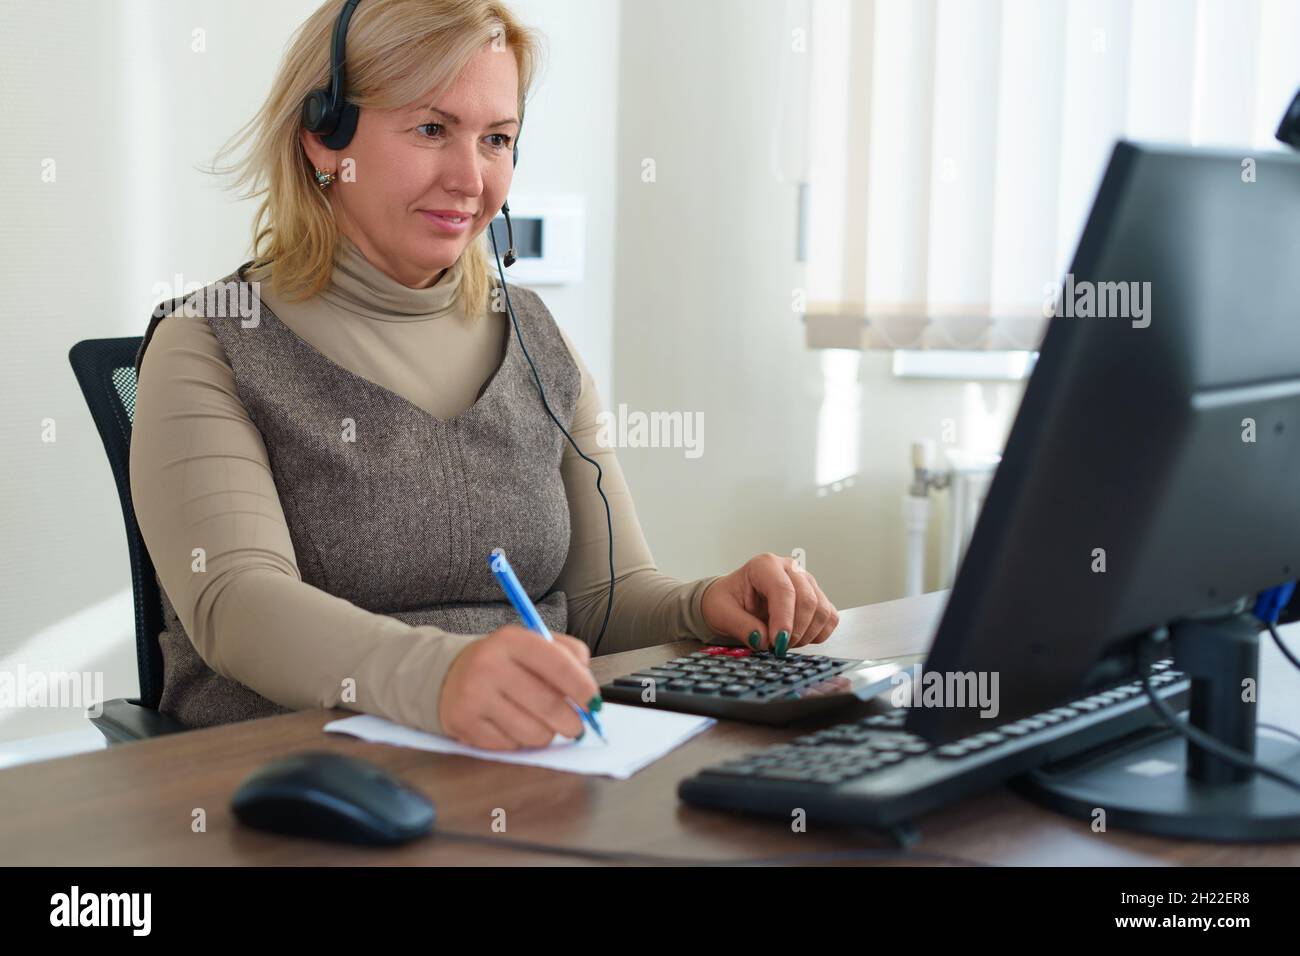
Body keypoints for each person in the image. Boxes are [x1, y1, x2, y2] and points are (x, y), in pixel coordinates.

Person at [129, 0, 838, 751]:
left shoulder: (533, 334)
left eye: (497, 139)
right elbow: (238, 607)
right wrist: (442, 677)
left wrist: (704, 605)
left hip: (522, 760)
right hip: (296, 780)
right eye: (432, 129)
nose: (470, 178)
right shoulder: (208, 342)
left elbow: (603, 600)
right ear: (323, 137)